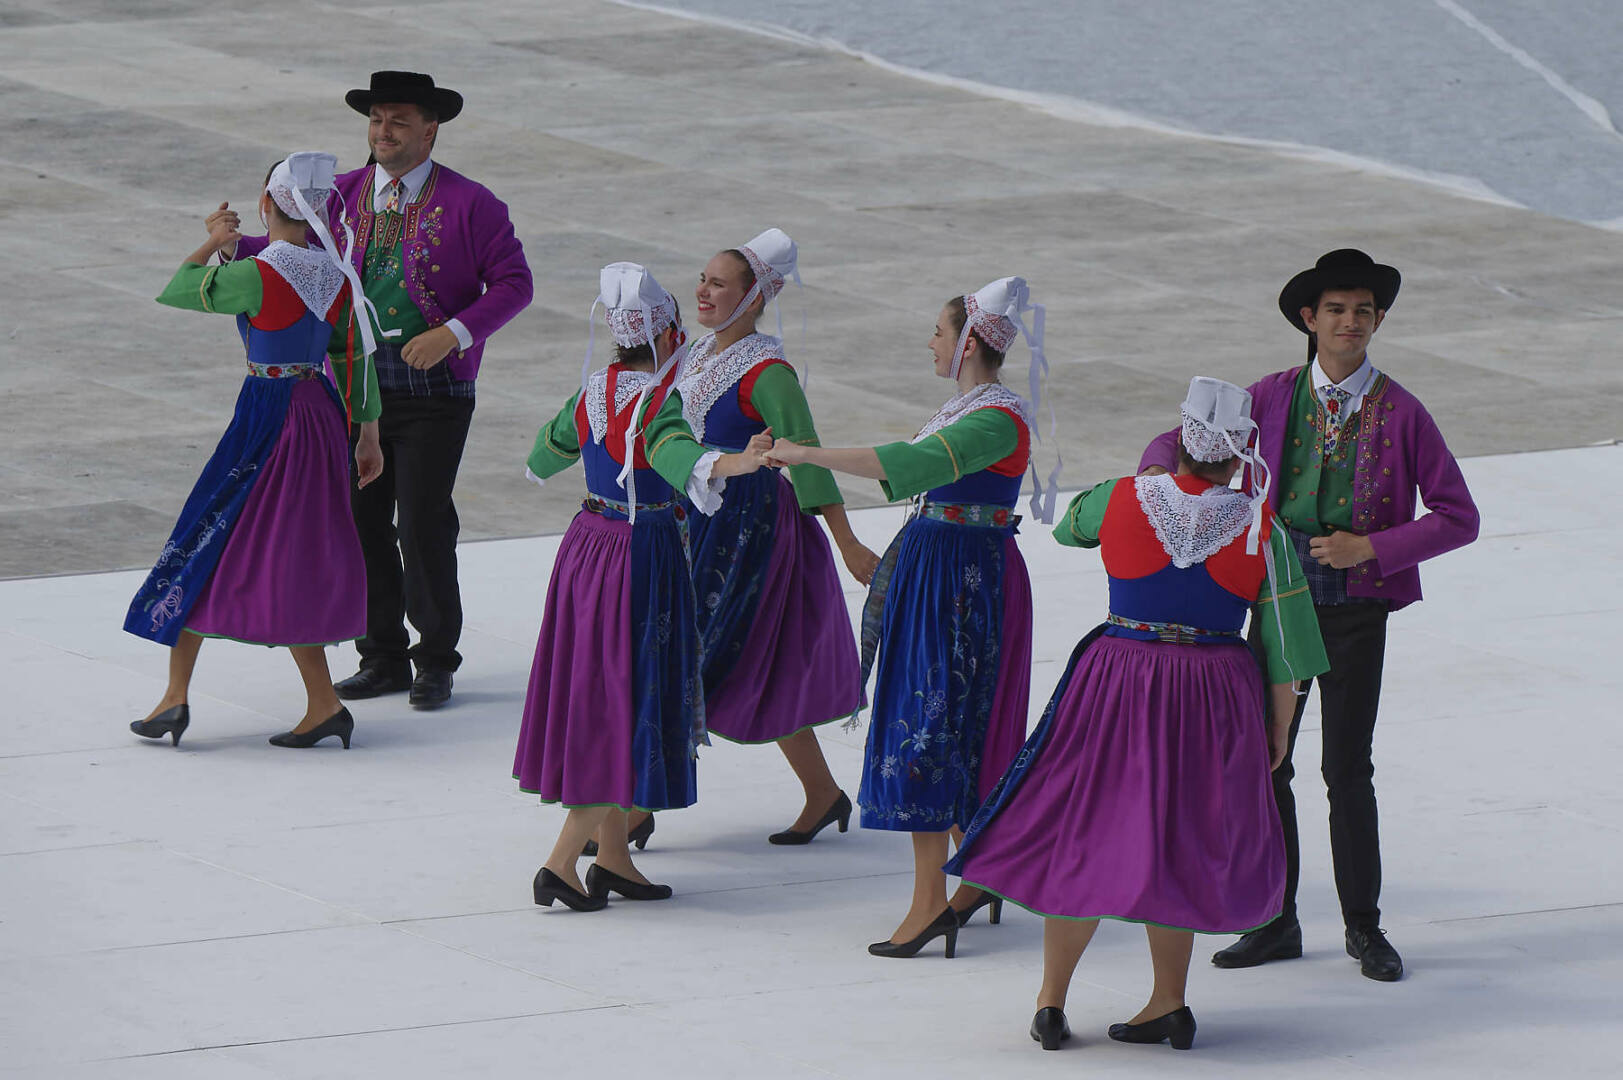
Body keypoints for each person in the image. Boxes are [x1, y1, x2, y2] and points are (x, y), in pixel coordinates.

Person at [947, 376, 1329, 1052]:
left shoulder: (1121, 497)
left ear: (1180, 438)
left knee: (1082, 831)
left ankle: (1051, 1000)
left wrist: (1143, 487)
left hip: (1118, 679)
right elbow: (1284, 649)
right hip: (1212, 689)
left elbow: (1069, 530)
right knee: (1180, 840)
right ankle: (1168, 1003)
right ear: (1240, 451)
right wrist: (1277, 730)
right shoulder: (1260, 529)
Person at [1139, 249, 1480, 982]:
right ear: (1309, 319)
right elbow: (1182, 440)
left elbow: (1458, 516)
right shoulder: (1266, 395)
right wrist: (1153, 479)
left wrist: (1373, 545)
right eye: (1335, 310)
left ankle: (1364, 928)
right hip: (1273, 601)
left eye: (1362, 311)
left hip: (1357, 609)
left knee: (1346, 768)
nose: (1349, 323)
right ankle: (1274, 920)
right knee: (1268, 763)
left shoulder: (1404, 411)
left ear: (1377, 320)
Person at [223, 70, 533, 709]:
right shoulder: (338, 195)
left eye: (396, 120)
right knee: (362, 520)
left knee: (422, 520)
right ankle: (382, 655)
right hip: (353, 384)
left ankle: (435, 658)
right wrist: (232, 248)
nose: (383, 132)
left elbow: (513, 283)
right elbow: (288, 243)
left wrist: (453, 333)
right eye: (375, 120)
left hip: (436, 390)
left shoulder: (474, 203)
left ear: (429, 130)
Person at [768, 277, 1045, 956]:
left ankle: (931, 903)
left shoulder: (995, 419)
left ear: (970, 341)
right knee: (942, 722)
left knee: (930, 725)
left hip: (961, 578)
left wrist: (804, 454)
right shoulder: (971, 410)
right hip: (940, 566)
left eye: (940, 332)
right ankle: (975, 875)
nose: (931, 342)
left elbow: (911, 465)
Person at [514, 263, 771, 910]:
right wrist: (740, 461)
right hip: (640, 553)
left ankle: (616, 860)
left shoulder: (592, 390)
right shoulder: (660, 403)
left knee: (599, 687)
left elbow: (545, 455)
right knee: (627, 696)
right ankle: (560, 864)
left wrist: (568, 434)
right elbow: (679, 456)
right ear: (662, 336)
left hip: (586, 547)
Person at [125, 153, 383, 749]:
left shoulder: (258, 274)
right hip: (317, 413)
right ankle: (319, 703)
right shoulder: (335, 273)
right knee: (285, 556)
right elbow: (354, 357)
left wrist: (211, 240)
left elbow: (178, 289)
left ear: (268, 204)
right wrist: (368, 434)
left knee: (206, 539)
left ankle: (178, 697)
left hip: (267, 416)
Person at [657, 228, 877, 846]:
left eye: (719, 283)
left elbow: (805, 456)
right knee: (747, 666)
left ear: (753, 299)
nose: (702, 291)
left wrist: (847, 541)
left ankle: (633, 808)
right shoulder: (697, 356)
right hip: (695, 522)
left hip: (748, 538)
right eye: (703, 278)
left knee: (692, 660)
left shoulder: (768, 373)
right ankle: (824, 794)